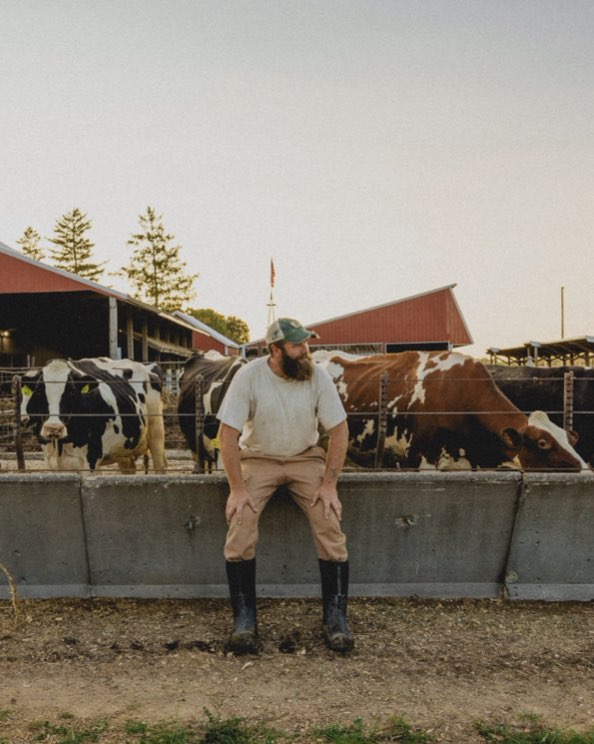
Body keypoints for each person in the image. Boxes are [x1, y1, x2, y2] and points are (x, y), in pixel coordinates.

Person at [217, 317, 353, 655]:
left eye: (306, 343)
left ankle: (335, 618)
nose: (305, 350)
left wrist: (329, 484)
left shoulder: (316, 375)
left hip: (305, 458)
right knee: (241, 522)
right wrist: (237, 488)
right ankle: (245, 619)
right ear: (274, 349)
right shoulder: (249, 376)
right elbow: (228, 435)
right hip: (259, 459)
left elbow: (339, 431)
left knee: (328, 520)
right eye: (297, 345)